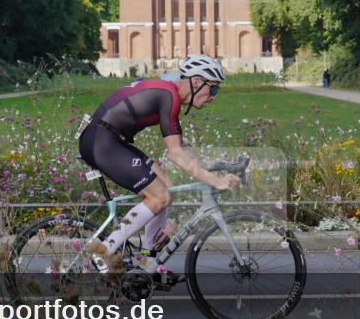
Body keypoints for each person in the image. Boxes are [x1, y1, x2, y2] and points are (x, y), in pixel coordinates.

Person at [78, 54, 240, 277]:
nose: (213, 97)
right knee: (159, 196)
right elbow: (175, 153)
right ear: (195, 82)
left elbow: (181, 148)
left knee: (167, 191)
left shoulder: (167, 94)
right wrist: (215, 181)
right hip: (101, 141)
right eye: (213, 89)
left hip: (108, 139)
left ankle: (146, 260)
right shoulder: (169, 96)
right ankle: (103, 250)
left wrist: (209, 170)